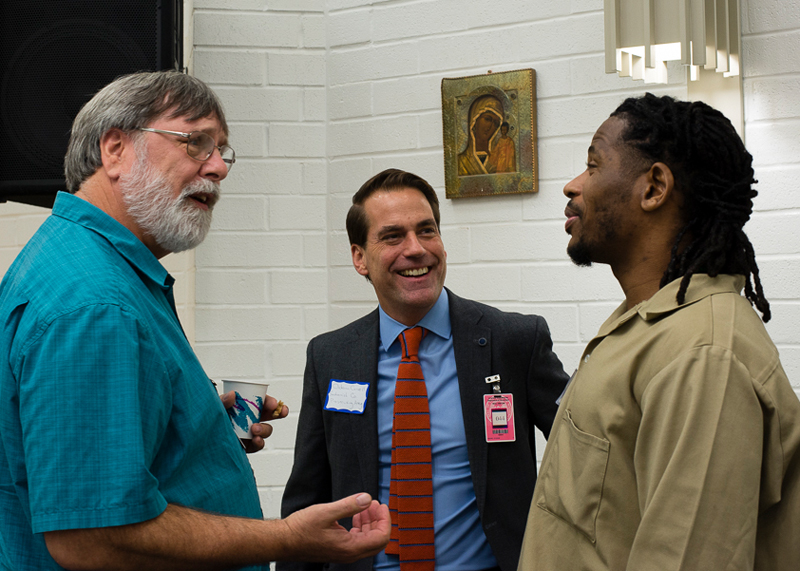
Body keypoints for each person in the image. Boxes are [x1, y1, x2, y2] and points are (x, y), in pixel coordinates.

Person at [0, 70, 389, 571]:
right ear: (115, 149)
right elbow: (93, 538)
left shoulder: (87, 263)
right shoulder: (96, 305)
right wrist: (288, 538)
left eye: (221, 152)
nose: (218, 168)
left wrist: (198, 425)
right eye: (195, 143)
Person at [518, 93, 800, 570]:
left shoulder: (704, 356)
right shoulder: (648, 323)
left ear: (654, 188)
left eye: (592, 165)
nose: (572, 186)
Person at [280, 169, 569, 571]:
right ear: (359, 258)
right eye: (393, 236)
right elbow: (308, 498)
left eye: (427, 231)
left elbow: (586, 449)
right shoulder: (331, 357)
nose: (415, 249)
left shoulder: (513, 341)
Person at [458, 95, 503, 176]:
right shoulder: (460, 161)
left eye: (495, 123)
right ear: (474, 120)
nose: (490, 126)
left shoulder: (499, 161)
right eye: (487, 119)